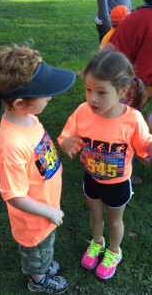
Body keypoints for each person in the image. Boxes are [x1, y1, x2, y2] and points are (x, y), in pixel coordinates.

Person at [0, 43, 76, 294]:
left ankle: (44, 265)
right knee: (35, 251)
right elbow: (14, 195)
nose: (50, 97)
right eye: (45, 94)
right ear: (18, 102)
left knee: (45, 248)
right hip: (34, 220)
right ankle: (38, 279)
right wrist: (48, 212)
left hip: (47, 208)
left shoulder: (29, 118)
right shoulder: (11, 146)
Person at [57, 51, 152, 280]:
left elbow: (145, 146)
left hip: (117, 183)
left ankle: (113, 251)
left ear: (122, 91)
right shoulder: (82, 112)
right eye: (88, 89)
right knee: (95, 215)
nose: (92, 99)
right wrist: (66, 143)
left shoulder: (132, 120)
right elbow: (65, 137)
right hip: (91, 178)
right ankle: (97, 243)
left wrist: (149, 149)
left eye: (101, 92)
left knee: (114, 220)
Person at [108, 0, 152, 110]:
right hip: (116, 82)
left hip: (116, 76)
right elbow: (144, 75)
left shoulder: (144, 13)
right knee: (120, 121)